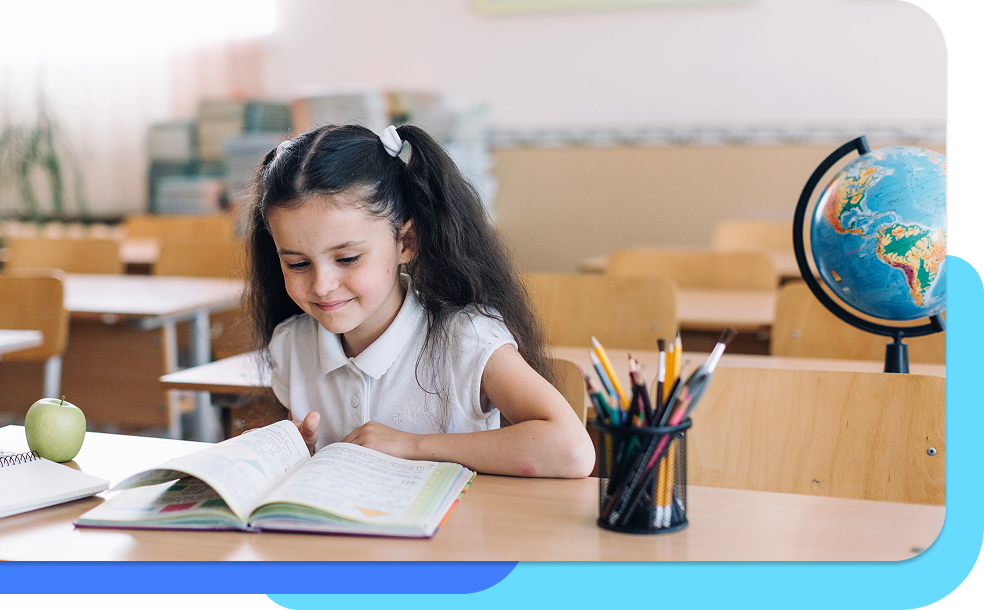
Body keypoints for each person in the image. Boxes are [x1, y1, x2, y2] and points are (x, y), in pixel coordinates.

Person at [244, 123, 594, 478]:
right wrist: (288, 454)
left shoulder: (466, 339)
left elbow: (572, 450)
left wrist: (413, 445)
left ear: (406, 243)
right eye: (298, 264)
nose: (322, 285)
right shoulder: (291, 345)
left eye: (347, 259)